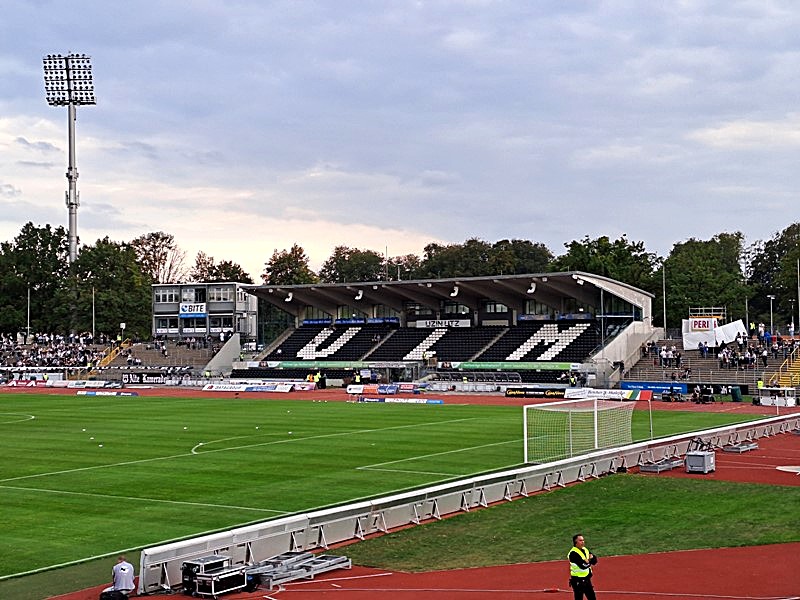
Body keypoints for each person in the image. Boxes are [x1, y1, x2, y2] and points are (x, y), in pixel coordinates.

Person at [568, 533, 598, 600]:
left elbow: (595, 560)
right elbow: (583, 566)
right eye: (580, 540)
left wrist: (589, 561)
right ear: (575, 542)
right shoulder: (573, 553)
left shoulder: (585, 550)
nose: (583, 542)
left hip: (587, 580)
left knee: (592, 598)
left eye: (583, 540)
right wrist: (590, 560)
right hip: (578, 581)